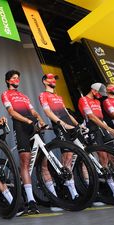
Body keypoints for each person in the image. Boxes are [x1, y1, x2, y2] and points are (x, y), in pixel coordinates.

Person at [1, 70, 46, 215]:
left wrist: (39, 119)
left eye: (18, 78)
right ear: (8, 81)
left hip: (33, 125)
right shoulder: (5, 94)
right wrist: (27, 120)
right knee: (25, 162)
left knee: (44, 159)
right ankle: (31, 201)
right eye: (14, 78)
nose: (17, 80)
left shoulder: (23, 96)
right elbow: (12, 112)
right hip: (21, 126)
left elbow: (33, 111)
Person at [38, 73, 81, 202]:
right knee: (67, 156)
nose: (53, 81)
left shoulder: (58, 96)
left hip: (69, 125)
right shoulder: (43, 95)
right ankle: (71, 193)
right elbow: (47, 112)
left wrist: (77, 125)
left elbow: (66, 112)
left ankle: (73, 192)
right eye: (50, 78)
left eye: (54, 79)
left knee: (70, 158)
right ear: (45, 81)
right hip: (60, 126)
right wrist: (61, 124)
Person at [77, 82, 114, 198]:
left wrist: (108, 130)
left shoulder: (97, 101)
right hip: (92, 129)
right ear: (93, 90)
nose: (101, 96)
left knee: (112, 156)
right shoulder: (83, 100)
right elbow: (91, 117)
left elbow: (101, 118)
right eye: (99, 93)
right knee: (102, 157)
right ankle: (113, 190)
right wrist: (109, 129)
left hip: (102, 128)